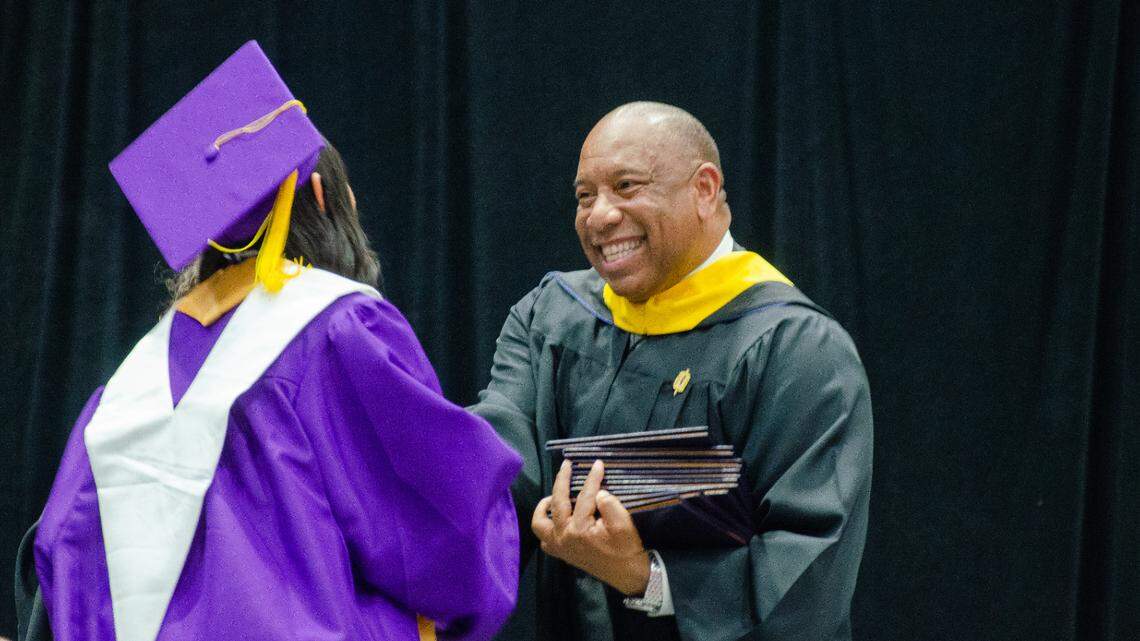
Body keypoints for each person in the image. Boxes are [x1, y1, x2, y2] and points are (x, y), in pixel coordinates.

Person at [15, 41, 521, 641]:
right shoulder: (338, 331)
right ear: (327, 200)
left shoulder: (132, 378)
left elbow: (58, 561)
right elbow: (446, 534)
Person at [470, 102, 873, 641]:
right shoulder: (551, 317)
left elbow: (809, 582)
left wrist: (646, 577)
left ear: (705, 190)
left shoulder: (795, 350)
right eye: (584, 196)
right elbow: (500, 464)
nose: (599, 215)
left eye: (627, 185)